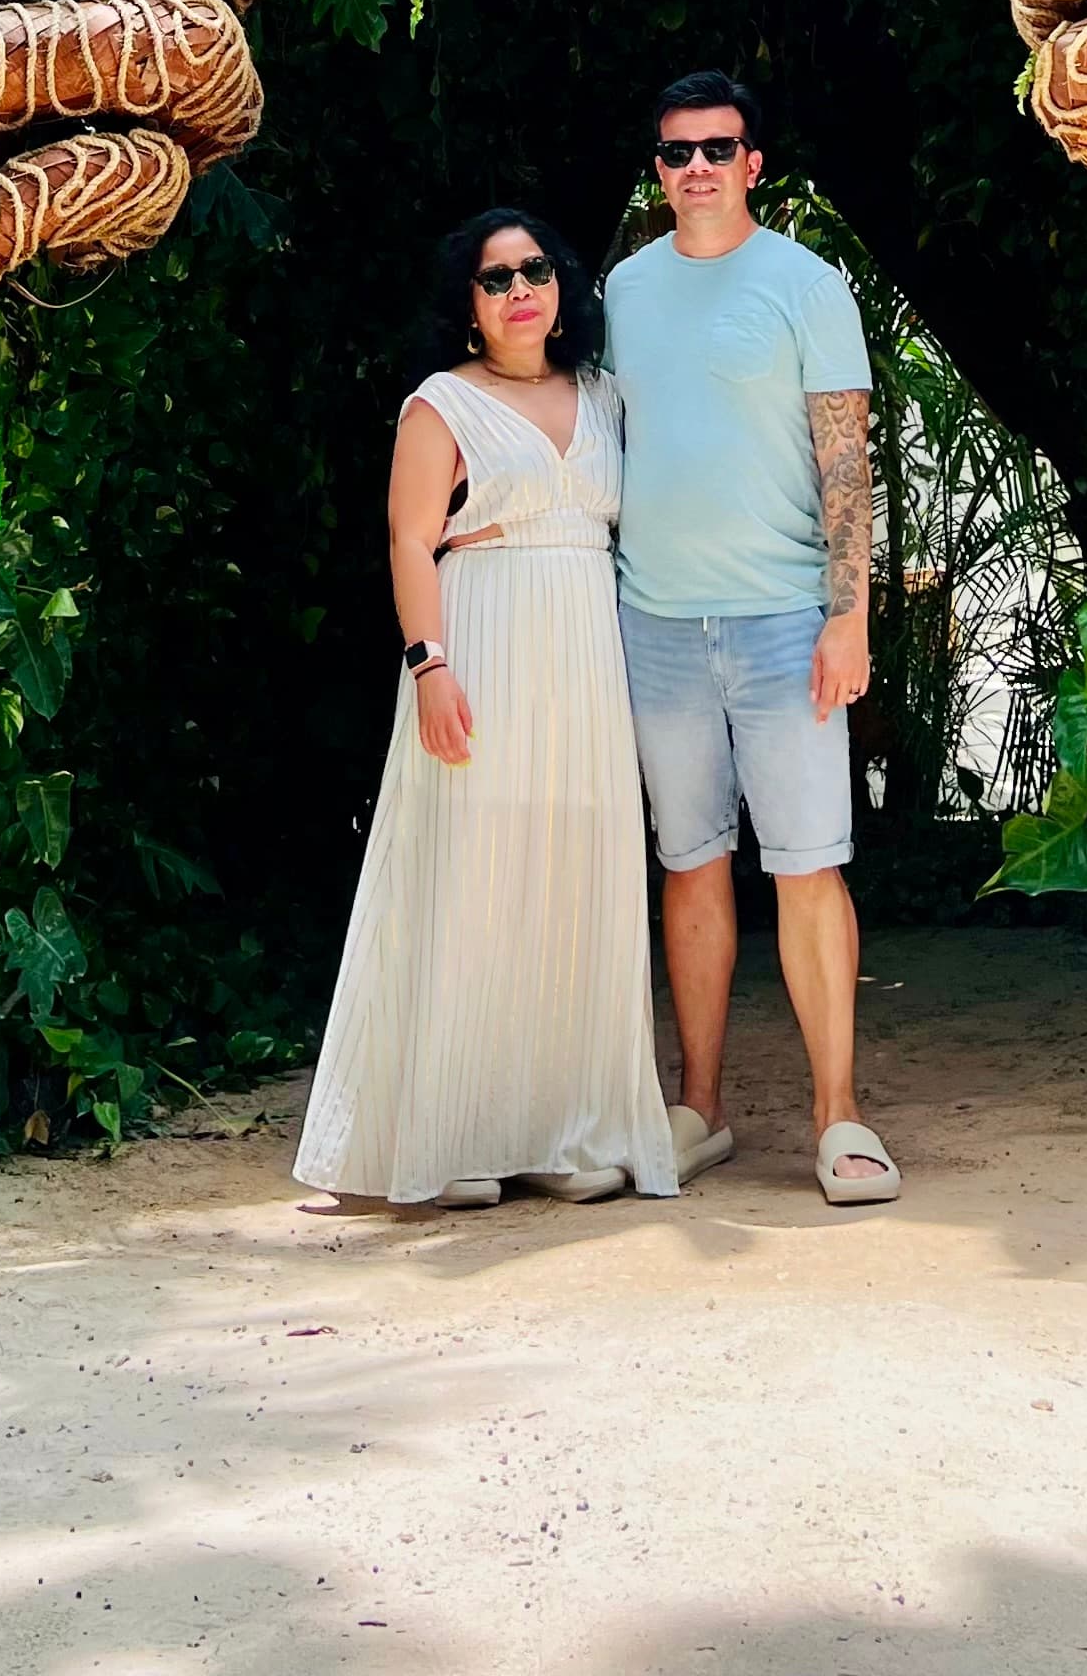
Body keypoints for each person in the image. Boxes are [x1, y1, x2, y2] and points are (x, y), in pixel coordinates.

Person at [294, 208, 680, 1212]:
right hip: (480, 640)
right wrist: (430, 665)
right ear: (467, 305)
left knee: (572, 878)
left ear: (563, 286)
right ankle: (454, 1130)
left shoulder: (601, 396)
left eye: (534, 271)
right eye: (495, 278)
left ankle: (561, 1127)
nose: (519, 291)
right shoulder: (442, 405)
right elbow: (411, 540)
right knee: (471, 875)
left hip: (585, 654)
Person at [607, 71, 900, 1208]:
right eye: (677, 152)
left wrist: (850, 617)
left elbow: (846, 462)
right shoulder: (623, 289)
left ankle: (839, 1118)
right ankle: (702, 1108)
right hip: (656, 621)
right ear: (659, 167)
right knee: (688, 863)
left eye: (717, 150)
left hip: (787, 624)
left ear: (754, 164)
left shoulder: (805, 284)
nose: (696, 170)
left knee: (809, 867)